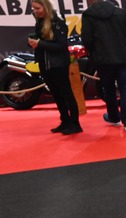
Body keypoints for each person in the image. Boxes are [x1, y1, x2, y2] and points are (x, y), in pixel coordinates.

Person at [81, 0, 126, 131]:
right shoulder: (120, 12)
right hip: (123, 57)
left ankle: (114, 117)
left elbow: (87, 39)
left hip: (103, 59)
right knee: (125, 89)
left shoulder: (88, 15)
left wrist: (93, 55)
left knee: (109, 89)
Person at [28, 0, 81, 135]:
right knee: (57, 95)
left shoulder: (58, 23)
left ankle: (75, 123)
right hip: (45, 65)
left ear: (45, 7)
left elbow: (61, 46)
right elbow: (42, 43)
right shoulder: (39, 22)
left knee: (67, 94)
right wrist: (33, 43)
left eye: (37, 8)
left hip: (59, 64)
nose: (34, 11)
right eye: (33, 8)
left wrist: (40, 44)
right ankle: (65, 121)